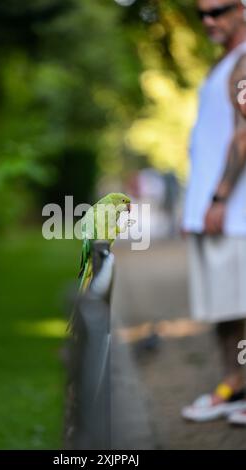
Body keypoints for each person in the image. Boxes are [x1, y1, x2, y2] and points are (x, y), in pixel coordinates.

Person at [182, 0, 246, 424]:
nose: (209, 21)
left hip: (235, 213)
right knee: (225, 309)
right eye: (201, 13)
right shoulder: (224, 64)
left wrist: (220, 198)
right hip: (215, 213)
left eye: (219, 10)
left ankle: (234, 388)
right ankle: (233, 388)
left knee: (240, 307)